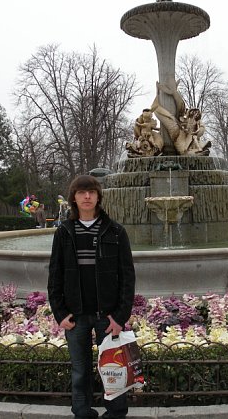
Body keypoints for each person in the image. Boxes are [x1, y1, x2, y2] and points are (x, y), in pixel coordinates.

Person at [48, 175, 135, 419]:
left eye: (91, 192)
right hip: (75, 316)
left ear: (98, 197)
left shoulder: (115, 231)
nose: (87, 196)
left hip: (107, 316)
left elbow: (127, 277)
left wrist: (120, 316)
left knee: (114, 368)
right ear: (74, 198)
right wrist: (60, 313)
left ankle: (116, 413)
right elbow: (55, 275)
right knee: (80, 371)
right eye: (81, 192)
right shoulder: (64, 232)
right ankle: (82, 412)